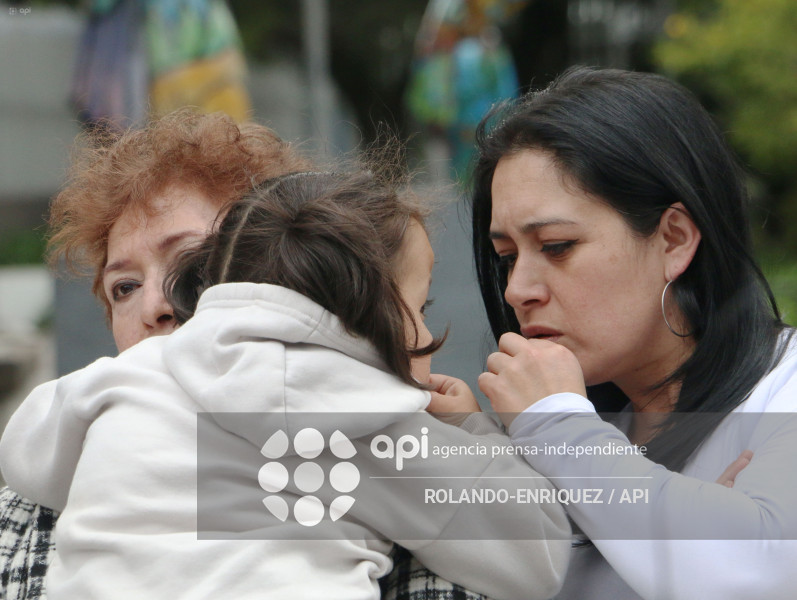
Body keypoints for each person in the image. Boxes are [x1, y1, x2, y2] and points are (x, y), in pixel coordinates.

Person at [1, 169, 571, 599]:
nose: (156, 305)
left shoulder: (124, 378)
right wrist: (472, 432)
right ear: (373, 314)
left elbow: (26, 454)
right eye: (420, 308)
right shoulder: (370, 420)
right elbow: (537, 554)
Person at [459, 66, 797, 599]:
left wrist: (557, 431)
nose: (517, 290)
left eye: (556, 246)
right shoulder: (571, 421)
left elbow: (750, 574)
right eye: (506, 258)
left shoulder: (784, 387)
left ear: (674, 240)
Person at [0, 108, 311, 599]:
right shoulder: (23, 520)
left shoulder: (366, 455)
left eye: (192, 263)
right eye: (124, 287)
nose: (155, 306)